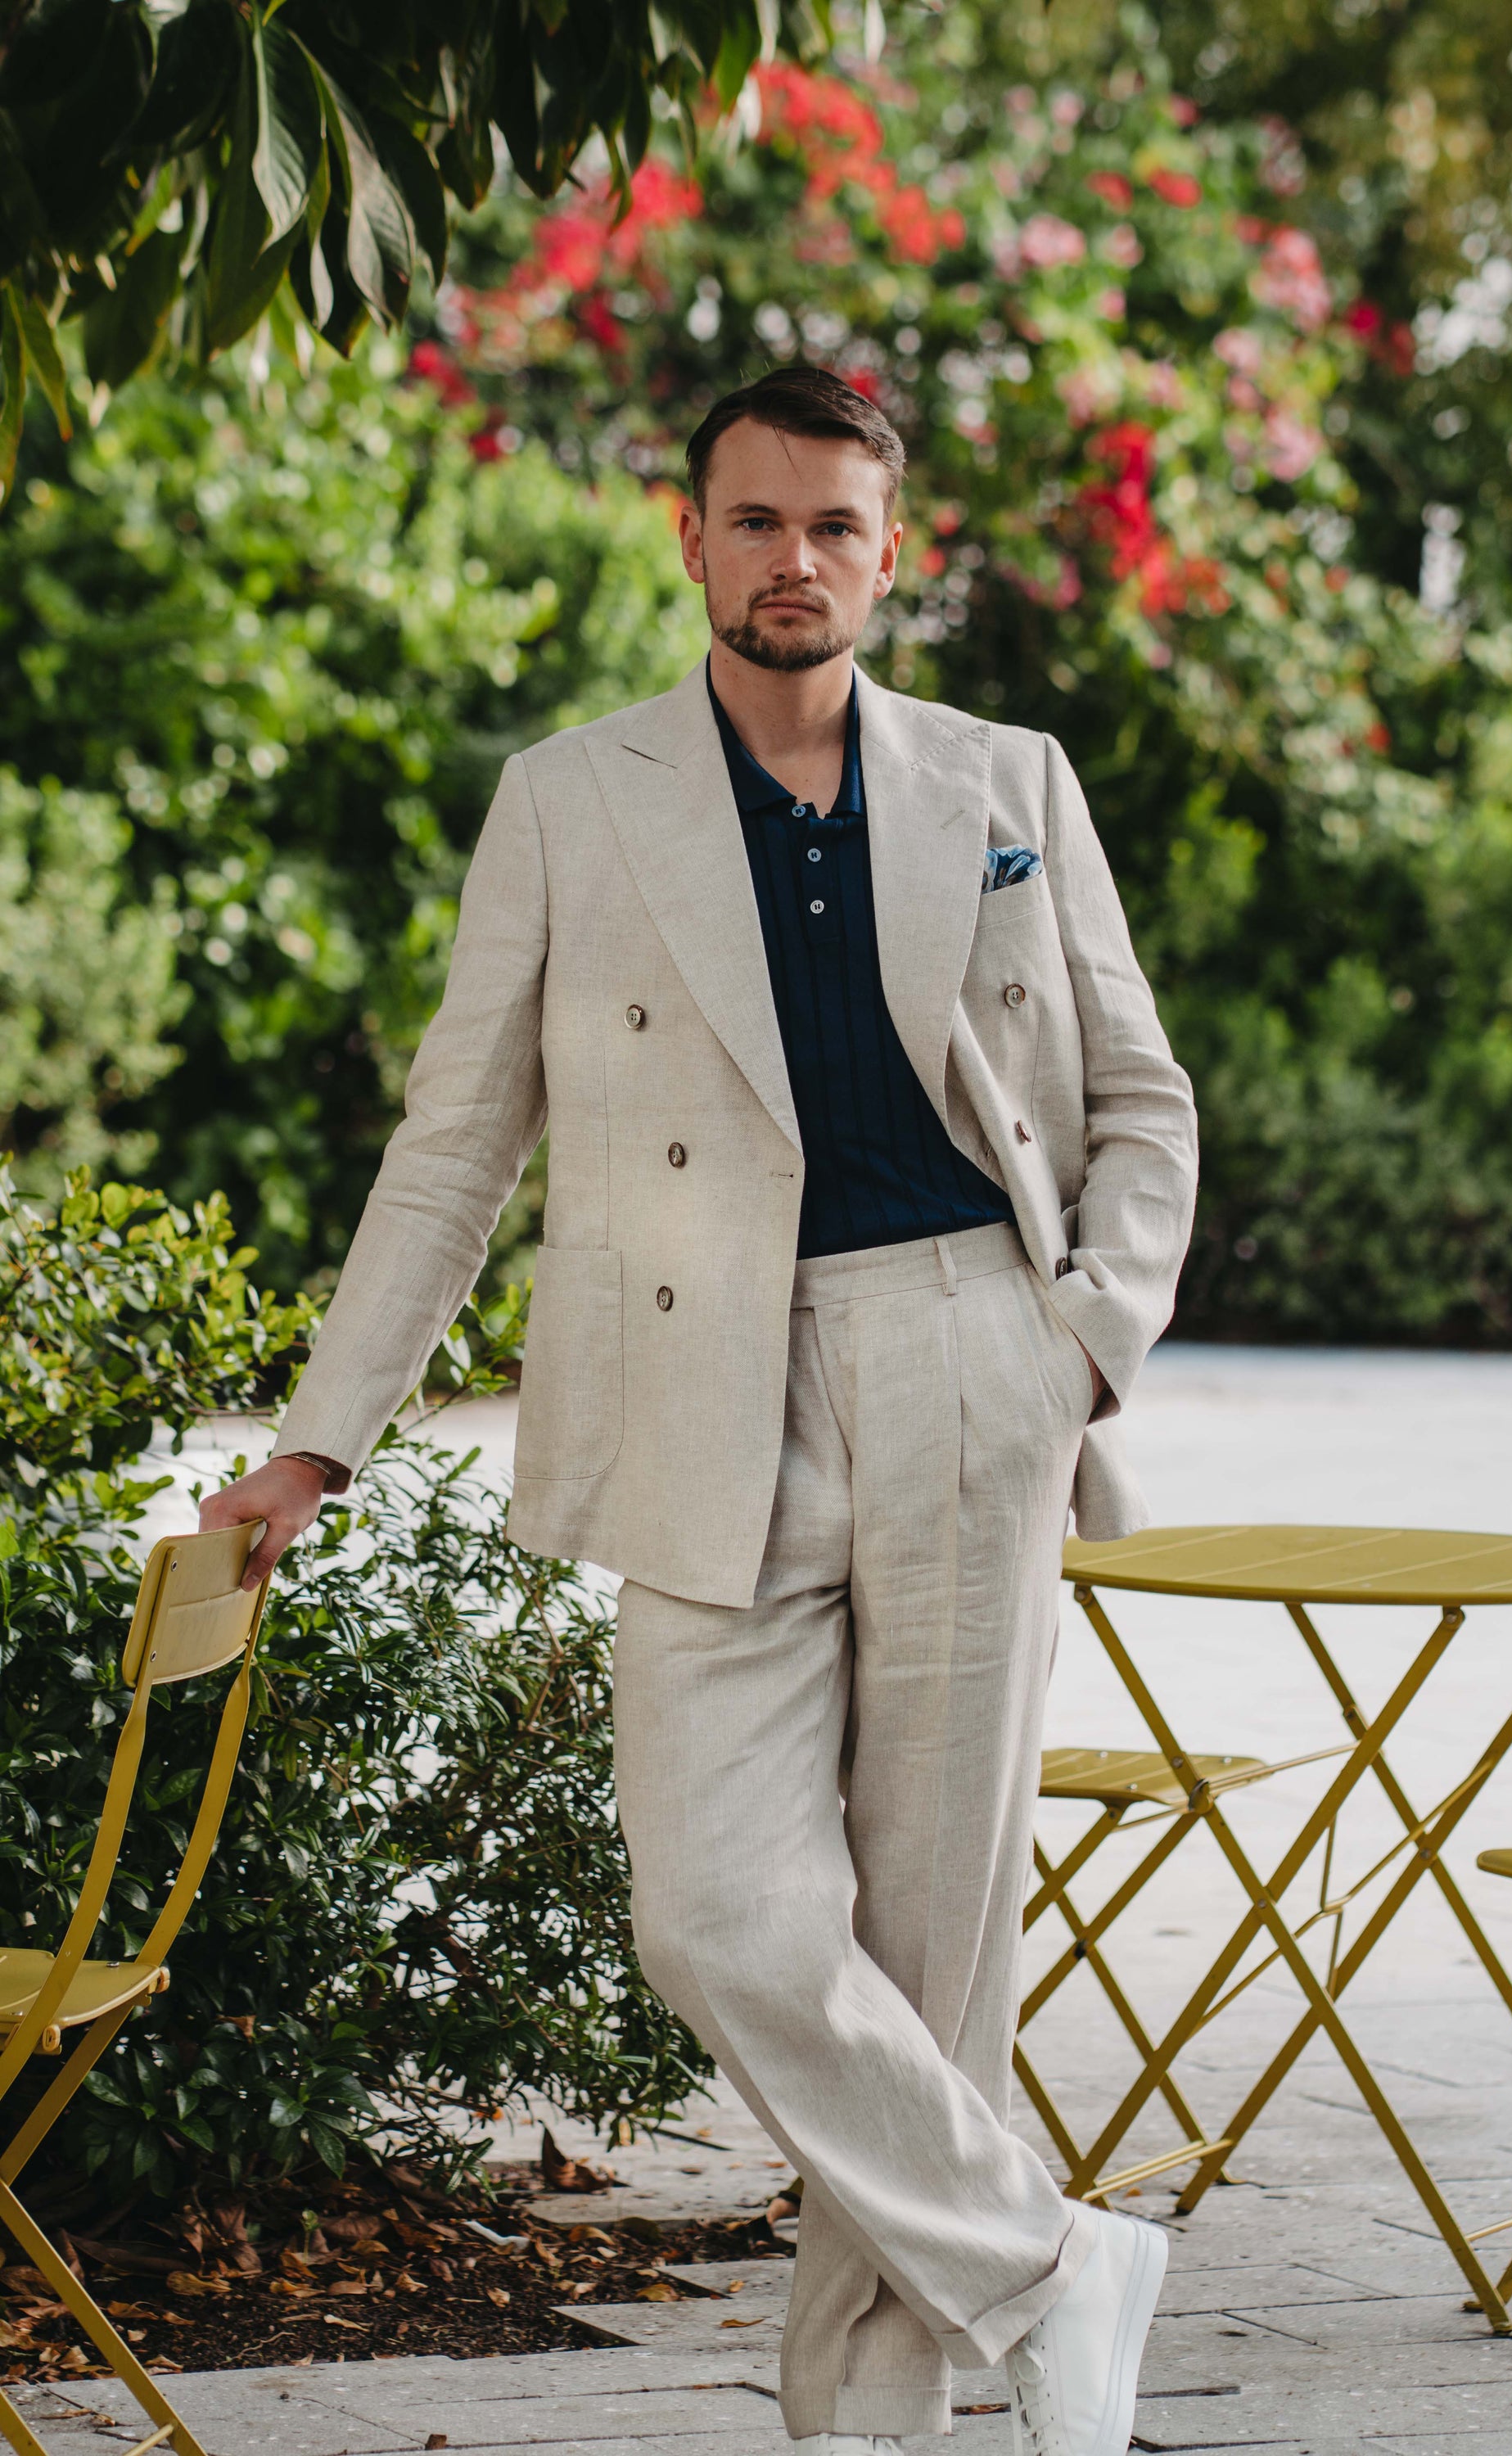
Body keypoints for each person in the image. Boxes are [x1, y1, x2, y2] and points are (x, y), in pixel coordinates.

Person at [202, 365, 1198, 2456]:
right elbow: (455, 1145)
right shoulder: (575, 795)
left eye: (836, 524)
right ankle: (1045, 2261)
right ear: (690, 533)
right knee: (721, 1918)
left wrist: (1084, 1337)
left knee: (925, 1969)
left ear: (891, 549)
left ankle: (865, 2431)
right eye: (755, 520)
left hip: (965, 1363)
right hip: (695, 1386)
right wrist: (325, 1432)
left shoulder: (1005, 774)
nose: (794, 560)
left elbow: (1139, 1098)